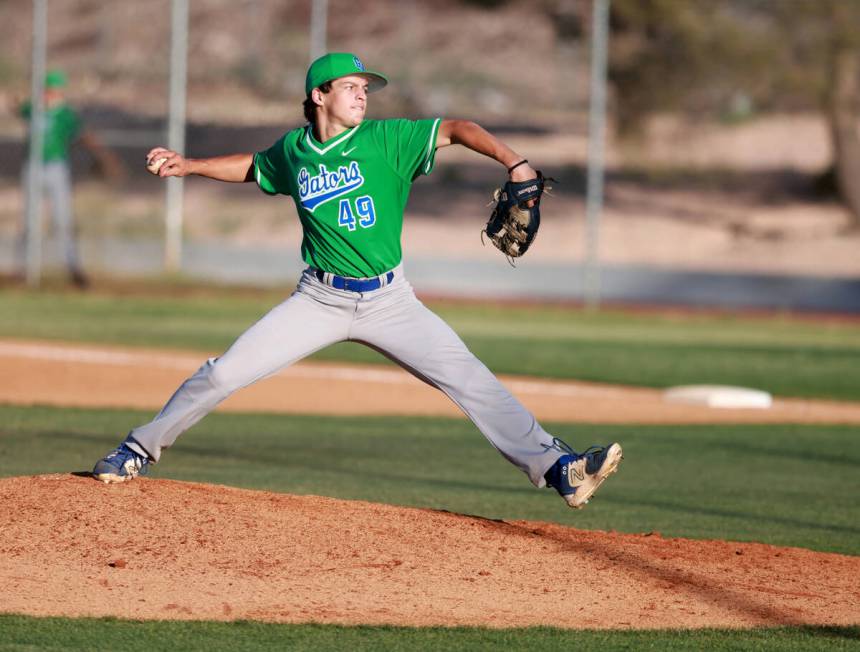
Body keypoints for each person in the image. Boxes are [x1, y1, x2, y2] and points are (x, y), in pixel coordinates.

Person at [92, 53, 622, 509]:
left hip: (392, 301)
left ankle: (560, 470)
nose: (362, 96)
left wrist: (515, 162)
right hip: (318, 299)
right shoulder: (295, 151)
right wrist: (188, 165)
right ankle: (137, 449)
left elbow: (458, 129)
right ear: (318, 95)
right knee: (223, 373)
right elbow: (254, 166)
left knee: (472, 381)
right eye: (350, 87)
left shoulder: (389, 139)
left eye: (365, 89)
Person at [19, 69, 123, 287]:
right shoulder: (33, 109)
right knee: (30, 219)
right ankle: (27, 270)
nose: (54, 94)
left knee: (63, 220)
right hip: (33, 166)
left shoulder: (65, 114)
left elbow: (82, 134)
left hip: (56, 166)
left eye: (56, 90)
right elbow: (17, 107)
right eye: (51, 89)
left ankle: (73, 267)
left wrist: (104, 157)